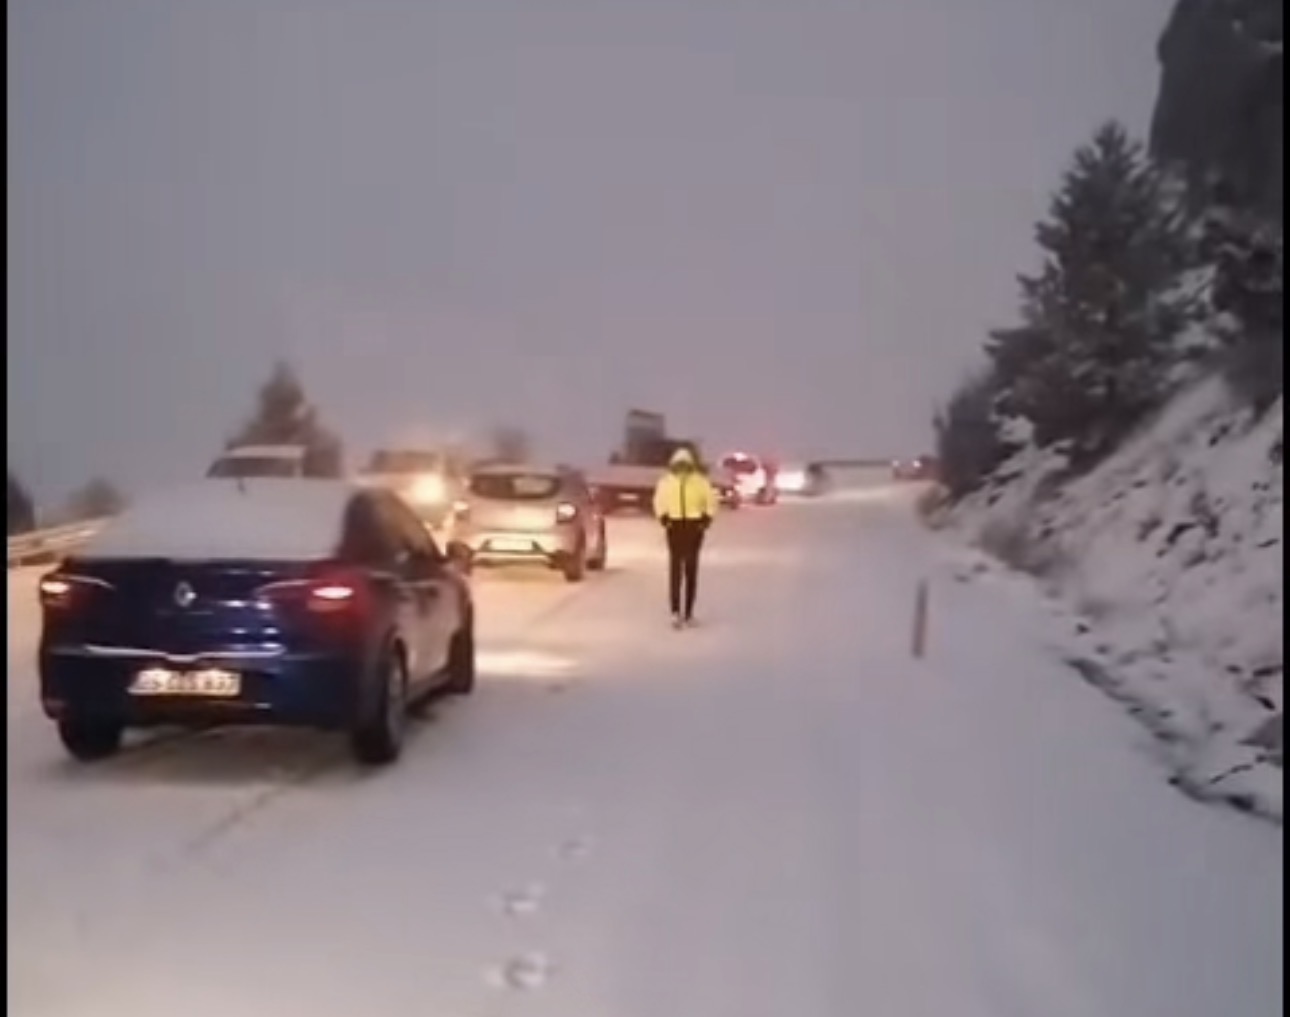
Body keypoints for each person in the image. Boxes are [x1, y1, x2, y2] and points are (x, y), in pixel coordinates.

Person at [652, 447, 719, 628]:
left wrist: (706, 519)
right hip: (674, 527)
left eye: (685, 465)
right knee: (675, 571)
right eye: (678, 465)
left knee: (691, 571)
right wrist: (664, 518)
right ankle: (675, 612)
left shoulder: (700, 482)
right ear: (674, 465)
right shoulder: (666, 482)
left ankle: (688, 613)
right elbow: (658, 501)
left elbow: (711, 501)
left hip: (693, 527)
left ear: (690, 465)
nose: (681, 468)